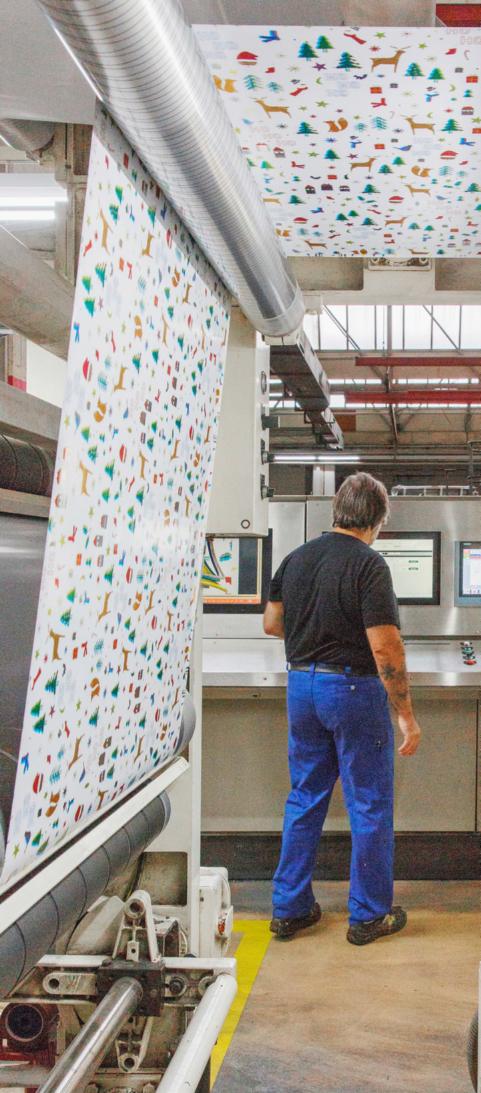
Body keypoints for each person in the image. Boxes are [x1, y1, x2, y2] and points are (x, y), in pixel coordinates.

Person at [263, 472, 421, 946]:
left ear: (338, 511)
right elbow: (385, 647)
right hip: (352, 690)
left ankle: (290, 909)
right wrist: (406, 715)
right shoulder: (369, 565)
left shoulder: (296, 558)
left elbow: (272, 623)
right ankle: (369, 915)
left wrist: (315, 633)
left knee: (305, 796)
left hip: (301, 686)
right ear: (377, 520)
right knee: (368, 802)